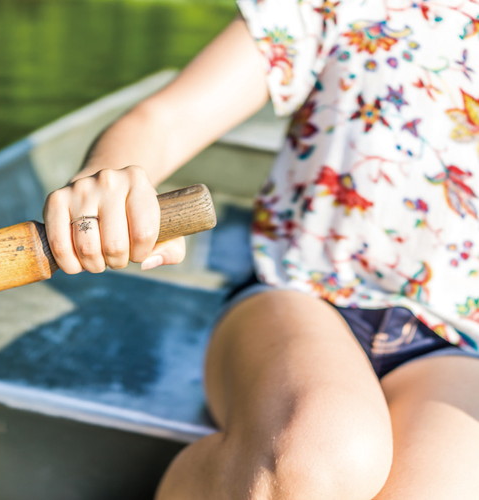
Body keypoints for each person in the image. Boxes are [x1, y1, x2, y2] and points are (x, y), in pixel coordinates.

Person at [43, 0, 479, 497]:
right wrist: (109, 178)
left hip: (459, 340)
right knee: (320, 454)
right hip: (302, 293)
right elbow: (167, 120)